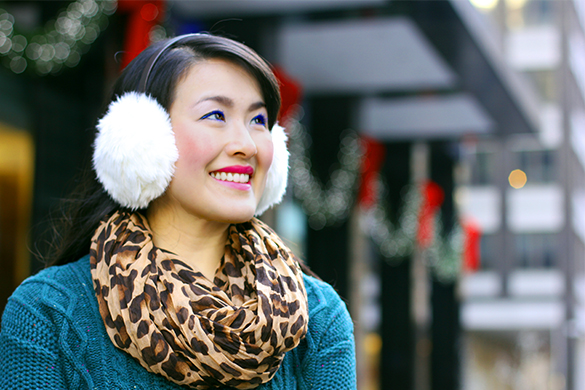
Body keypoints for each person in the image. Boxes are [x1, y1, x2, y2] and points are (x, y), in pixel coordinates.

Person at [0, 33, 356, 389]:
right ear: (142, 141)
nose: (247, 145)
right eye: (215, 115)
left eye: (258, 121)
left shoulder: (319, 318)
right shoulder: (47, 314)